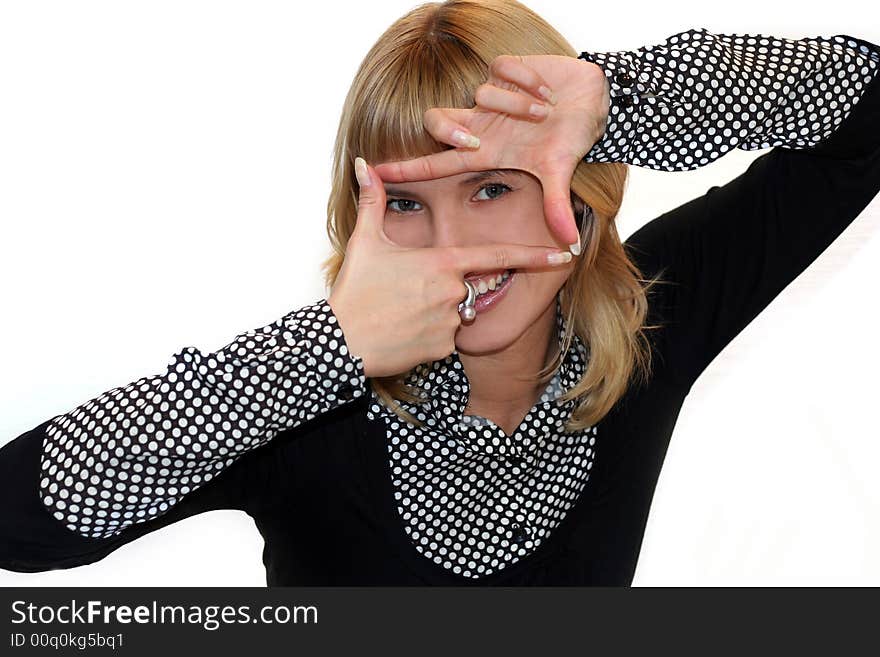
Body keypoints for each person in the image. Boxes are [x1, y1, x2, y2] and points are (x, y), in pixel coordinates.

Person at [1, 0, 878, 585]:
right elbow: (17, 522)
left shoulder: (652, 319)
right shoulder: (307, 399)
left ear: (579, 186)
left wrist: (625, 102)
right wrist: (326, 352)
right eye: (409, 201)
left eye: (492, 186)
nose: (454, 247)